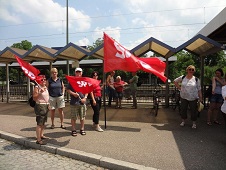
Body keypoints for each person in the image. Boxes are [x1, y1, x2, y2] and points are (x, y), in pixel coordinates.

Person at [66, 67, 88, 136]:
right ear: (75, 73)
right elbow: (68, 89)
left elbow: (87, 90)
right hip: (74, 102)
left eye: (79, 72)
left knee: (82, 117)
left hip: (82, 102)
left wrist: (85, 98)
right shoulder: (72, 81)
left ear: (81, 73)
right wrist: (73, 94)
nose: (78, 73)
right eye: (77, 72)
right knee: (73, 117)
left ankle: (82, 128)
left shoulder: (84, 81)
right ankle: (73, 129)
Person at [33, 75, 49, 145]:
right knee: (40, 123)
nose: (44, 81)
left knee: (43, 122)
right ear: (39, 81)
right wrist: (40, 93)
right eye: (42, 80)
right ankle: (38, 139)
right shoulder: (37, 87)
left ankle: (41, 135)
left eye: (45, 79)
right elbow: (34, 98)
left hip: (46, 105)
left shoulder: (45, 87)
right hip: (40, 106)